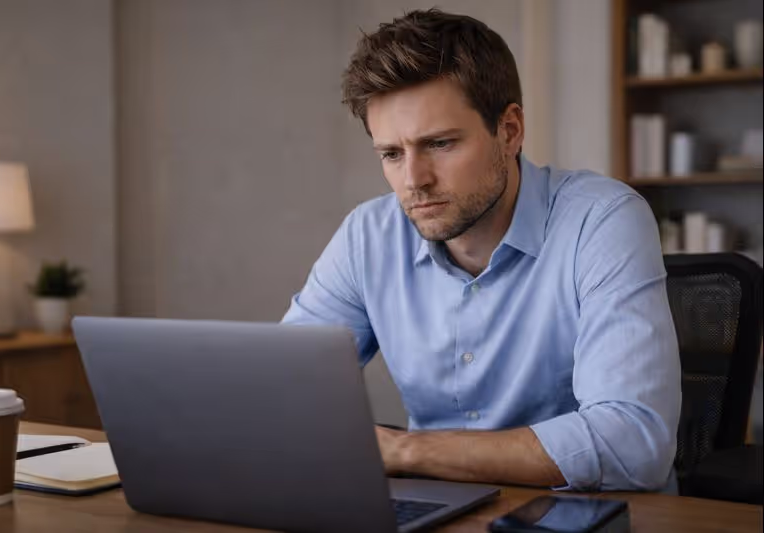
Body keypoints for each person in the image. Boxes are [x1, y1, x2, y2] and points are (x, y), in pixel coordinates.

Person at [282, 8, 681, 492]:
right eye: (391, 154)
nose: (414, 181)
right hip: (435, 505)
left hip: (582, 514)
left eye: (441, 144)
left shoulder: (601, 219)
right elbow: (284, 393)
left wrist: (406, 450)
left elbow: (633, 445)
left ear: (509, 131)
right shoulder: (368, 235)